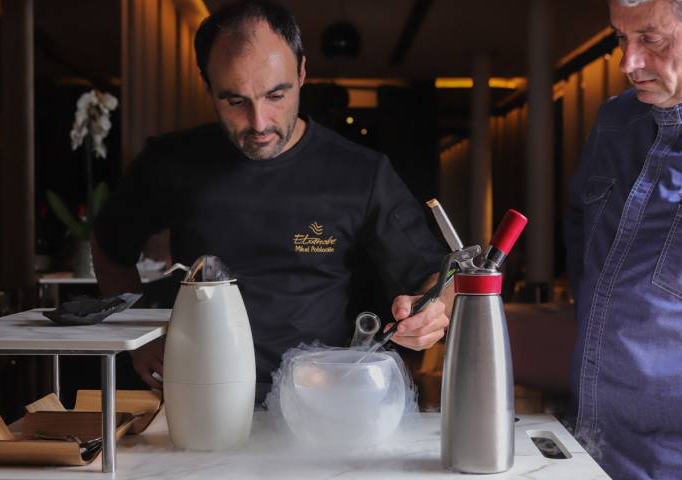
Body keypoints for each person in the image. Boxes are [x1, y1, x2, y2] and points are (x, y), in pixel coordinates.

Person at [91, 0, 451, 401]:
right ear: (206, 84)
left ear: (301, 72)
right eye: (234, 101)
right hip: (200, 390)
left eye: (275, 95)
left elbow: (436, 276)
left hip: (320, 398)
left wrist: (431, 311)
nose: (259, 122)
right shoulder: (171, 162)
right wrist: (136, 336)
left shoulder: (362, 173)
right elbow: (109, 245)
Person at [565, 0, 682, 477]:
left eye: (652, 40)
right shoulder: (613, 122)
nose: (628, 63)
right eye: (621, 39)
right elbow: (580, 235)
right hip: (591, 433)